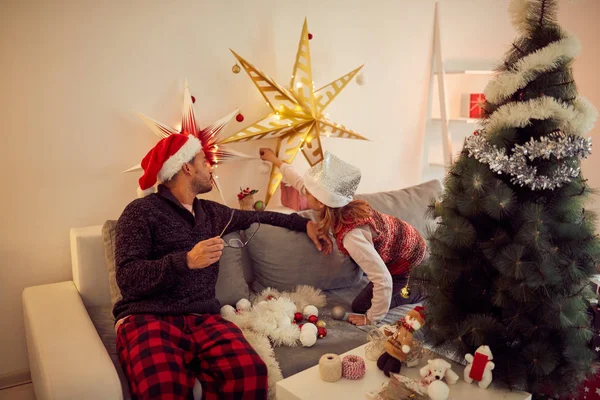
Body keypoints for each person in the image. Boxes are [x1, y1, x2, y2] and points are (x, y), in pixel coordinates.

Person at [114, 133, 327, 400]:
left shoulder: (212, 213)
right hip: (148, 317)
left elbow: (258, 216)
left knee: (250, 373)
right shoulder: (139, 212)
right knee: (163, 388)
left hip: (204, 318)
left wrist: (303, 223)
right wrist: (186, 261)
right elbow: (127, 277)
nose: (211, 166)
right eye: (205, 161)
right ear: (186, 167)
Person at [260, 148, 426, 326]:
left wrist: (371, 319)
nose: (303, 193)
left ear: (322, 202)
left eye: (308, 193)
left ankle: (421, 290)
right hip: (398, 243)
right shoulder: (337, 204)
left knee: (361, 306)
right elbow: (300, 182)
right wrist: (275, 160)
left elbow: (383, 279)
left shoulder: (352, 236)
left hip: (407, 260)